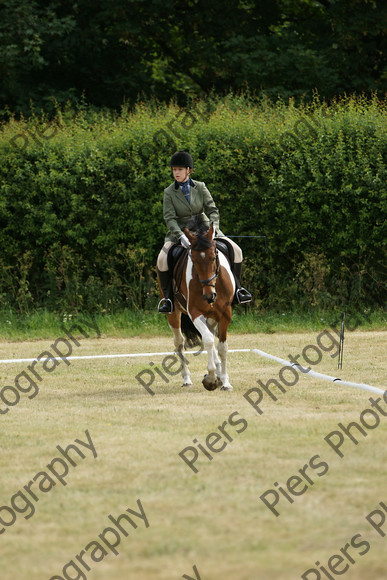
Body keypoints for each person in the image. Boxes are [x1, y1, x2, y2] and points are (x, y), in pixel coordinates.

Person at [157, 150, 252, 313]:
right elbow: (169, 218)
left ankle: (238, 290)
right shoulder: (169, 192)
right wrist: (180, 236)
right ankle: (168, 299)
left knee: (237, 250)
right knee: (162, 260)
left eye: (179, 169)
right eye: (174, 170)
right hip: (180, 231)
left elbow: (212, 210)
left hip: (204, 228)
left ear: (189, 170)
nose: (176, 173)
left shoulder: (200, 187)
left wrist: (213, 228)